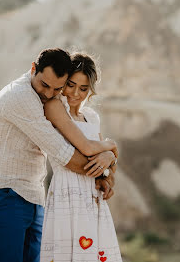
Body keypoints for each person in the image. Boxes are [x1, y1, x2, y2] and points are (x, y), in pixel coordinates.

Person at [0, 48, 116, 262]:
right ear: (33, 68)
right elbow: (66, 155)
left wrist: (108, 161)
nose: (49, 94)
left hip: (33, 196)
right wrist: (106, 162)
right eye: (45, 85)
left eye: (57, 88)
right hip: (5, 194)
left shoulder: (53, 102)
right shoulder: (21, 97)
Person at [40, 52, 122, 262]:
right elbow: (87, 149)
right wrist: (111, 146)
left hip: (92, 197)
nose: (75, 93)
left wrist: (109, 160)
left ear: (90, 90)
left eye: (83, 88)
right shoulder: (54, 107)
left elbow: (105, 163)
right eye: (71, 84)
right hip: (66, 193)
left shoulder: (92, 117)